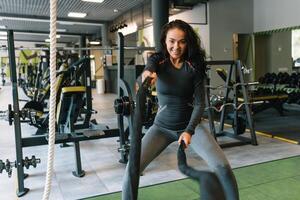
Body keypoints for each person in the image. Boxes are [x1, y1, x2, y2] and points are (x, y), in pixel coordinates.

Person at [122, 19, 239, 200]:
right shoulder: (158, 61)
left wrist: (189, 131)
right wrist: (145, 77)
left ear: (188, 42)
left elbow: (200, 104)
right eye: (172, 41)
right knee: (132, 168)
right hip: (161, 128)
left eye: (182, 41)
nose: (176, 46)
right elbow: (147, 71)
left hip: (190, 127)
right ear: (165, 41)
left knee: (222, 166)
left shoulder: (194, 66)